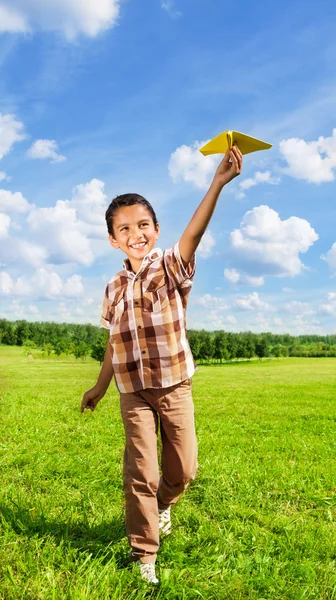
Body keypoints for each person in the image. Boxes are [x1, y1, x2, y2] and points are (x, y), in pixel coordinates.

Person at [80, 145, 243, 584]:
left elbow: (193, 234)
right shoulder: (113, 287)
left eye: (143, 224)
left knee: (183, 469)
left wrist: (217, 184)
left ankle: (165, 503)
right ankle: (145, 554)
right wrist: (98, 387)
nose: (136, 233)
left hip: (174, 386)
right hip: (131, 390)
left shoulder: (169, 266)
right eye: (125, 228)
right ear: (113, 239)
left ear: (155, 229)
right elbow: (114, 344)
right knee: (141, 471)